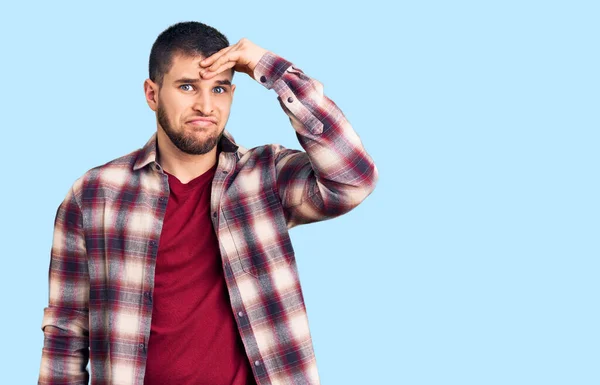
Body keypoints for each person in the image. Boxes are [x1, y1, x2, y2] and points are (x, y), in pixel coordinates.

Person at [38, 21, 378, 385]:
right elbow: (67, 327)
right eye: (187, 86)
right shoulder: (94, 194)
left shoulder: (266, 177)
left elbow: (352, 179)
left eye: (218, 89)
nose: (205, 105)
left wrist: (269, 68)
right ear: (152, 94)